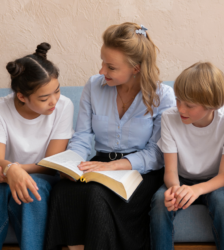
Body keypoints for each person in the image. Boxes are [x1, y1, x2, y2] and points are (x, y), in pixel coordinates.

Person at [44, 23, 175, 250]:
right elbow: (83, 136)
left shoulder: (162, 96)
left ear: (135, 68)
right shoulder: (94, 86)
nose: (102, 71)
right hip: (100, 163)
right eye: (102, 61)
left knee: (96, 194)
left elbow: (157, 153)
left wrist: (116, 166)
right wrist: (72, 165)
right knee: (61, 191)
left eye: (111, 67)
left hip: (141, 171)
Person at [0, 43, 74, 250]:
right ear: (22, 97)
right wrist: (10, 170)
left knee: (32, 188)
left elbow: (52, 164)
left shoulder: (64, 106)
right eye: (44, 98)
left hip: (42, 178)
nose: (54, 101)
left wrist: (15, 170)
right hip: (4, 177)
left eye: (57, 91)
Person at [149, 62, 224, 250]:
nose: (181, 109)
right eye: (178, 100)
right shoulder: (169, 118)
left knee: (222, 202)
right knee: (160, 201)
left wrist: (196, 190)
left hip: (215, 180)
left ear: (212, 105)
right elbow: (171, 170)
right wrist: (176, 190)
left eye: (189, 105)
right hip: (181, 178)